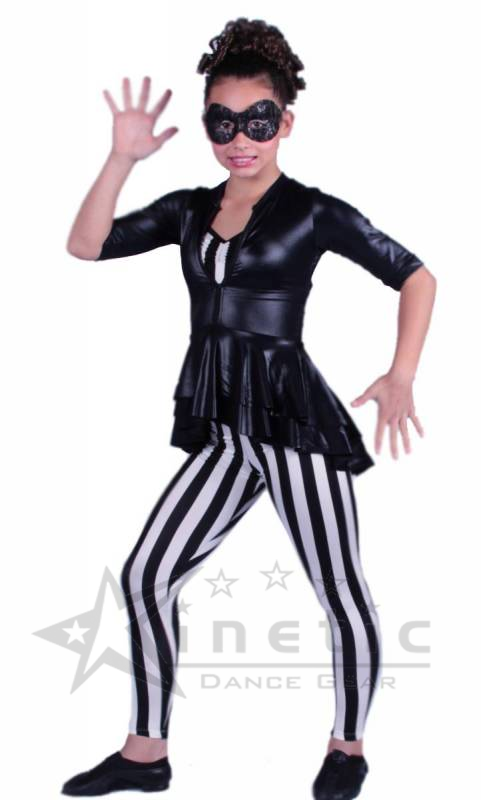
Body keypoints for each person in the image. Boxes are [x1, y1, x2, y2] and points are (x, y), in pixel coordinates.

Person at [62, 17, 436, 800]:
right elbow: (87, 245)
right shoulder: (189, 210)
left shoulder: (312, 211)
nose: (240, 139)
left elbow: (414, 275)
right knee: (146, 575)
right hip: (224, 424)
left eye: (258, 121)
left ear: (285, 123)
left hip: (293, 423)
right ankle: (145, 753)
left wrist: (400, 374)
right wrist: (121, 158)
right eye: (223, 123)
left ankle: (347, 747)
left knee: (338, 589)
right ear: (208, 126)